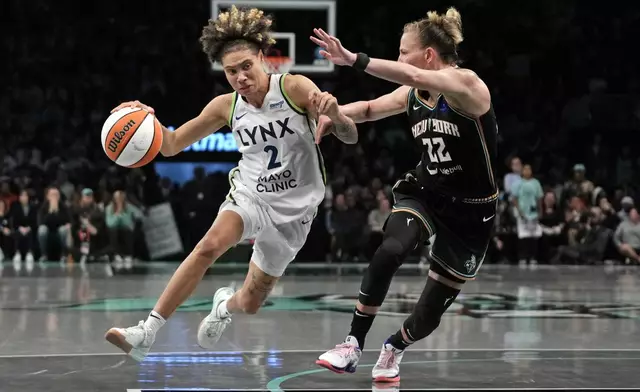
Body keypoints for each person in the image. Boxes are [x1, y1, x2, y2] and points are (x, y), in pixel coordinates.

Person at [104, 5, 357, 362]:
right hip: (251, 196)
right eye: (231, 71)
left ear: (263, 59)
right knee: (208, 246)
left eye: (246, 67)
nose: (240, 77)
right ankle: (146, 331)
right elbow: (172, 144)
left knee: (251, 303)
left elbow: (349, 136)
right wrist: (144, 117)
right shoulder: (226, 107)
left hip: (296, 213)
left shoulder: (295, 88)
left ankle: (224, 304)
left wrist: (336, 115)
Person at [310, 7, 498, 382]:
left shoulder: (468, 86)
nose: (399, 60)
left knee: (429, 313)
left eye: (401, 51)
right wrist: (332, 115)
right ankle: (352, 344)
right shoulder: (413, 94)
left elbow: (412, 73)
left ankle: (394, 346)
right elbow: (367, 109)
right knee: (391, 248)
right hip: (426, 192)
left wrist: (353, 60)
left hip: (472, 212)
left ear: (428, 54)